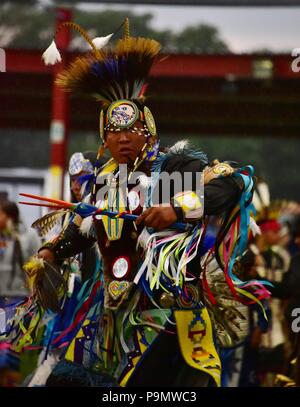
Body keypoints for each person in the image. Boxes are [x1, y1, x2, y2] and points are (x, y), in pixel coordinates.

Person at [2, 20, 268, 387]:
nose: (123, 139)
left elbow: (234, 183)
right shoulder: (103, 181)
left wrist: (175, 210)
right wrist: (50, 251)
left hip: (167, 317)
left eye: (131, 130)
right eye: (113, 132)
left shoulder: (176, 167)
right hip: (109, 315)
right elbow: (85, 228)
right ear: (103, 138)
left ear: (150, 130)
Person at [0, 200, 41, 386]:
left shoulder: (29, 236)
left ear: (11, 216)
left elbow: (38, 265)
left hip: (18, 299)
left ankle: (11, 380)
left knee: (11, 345)